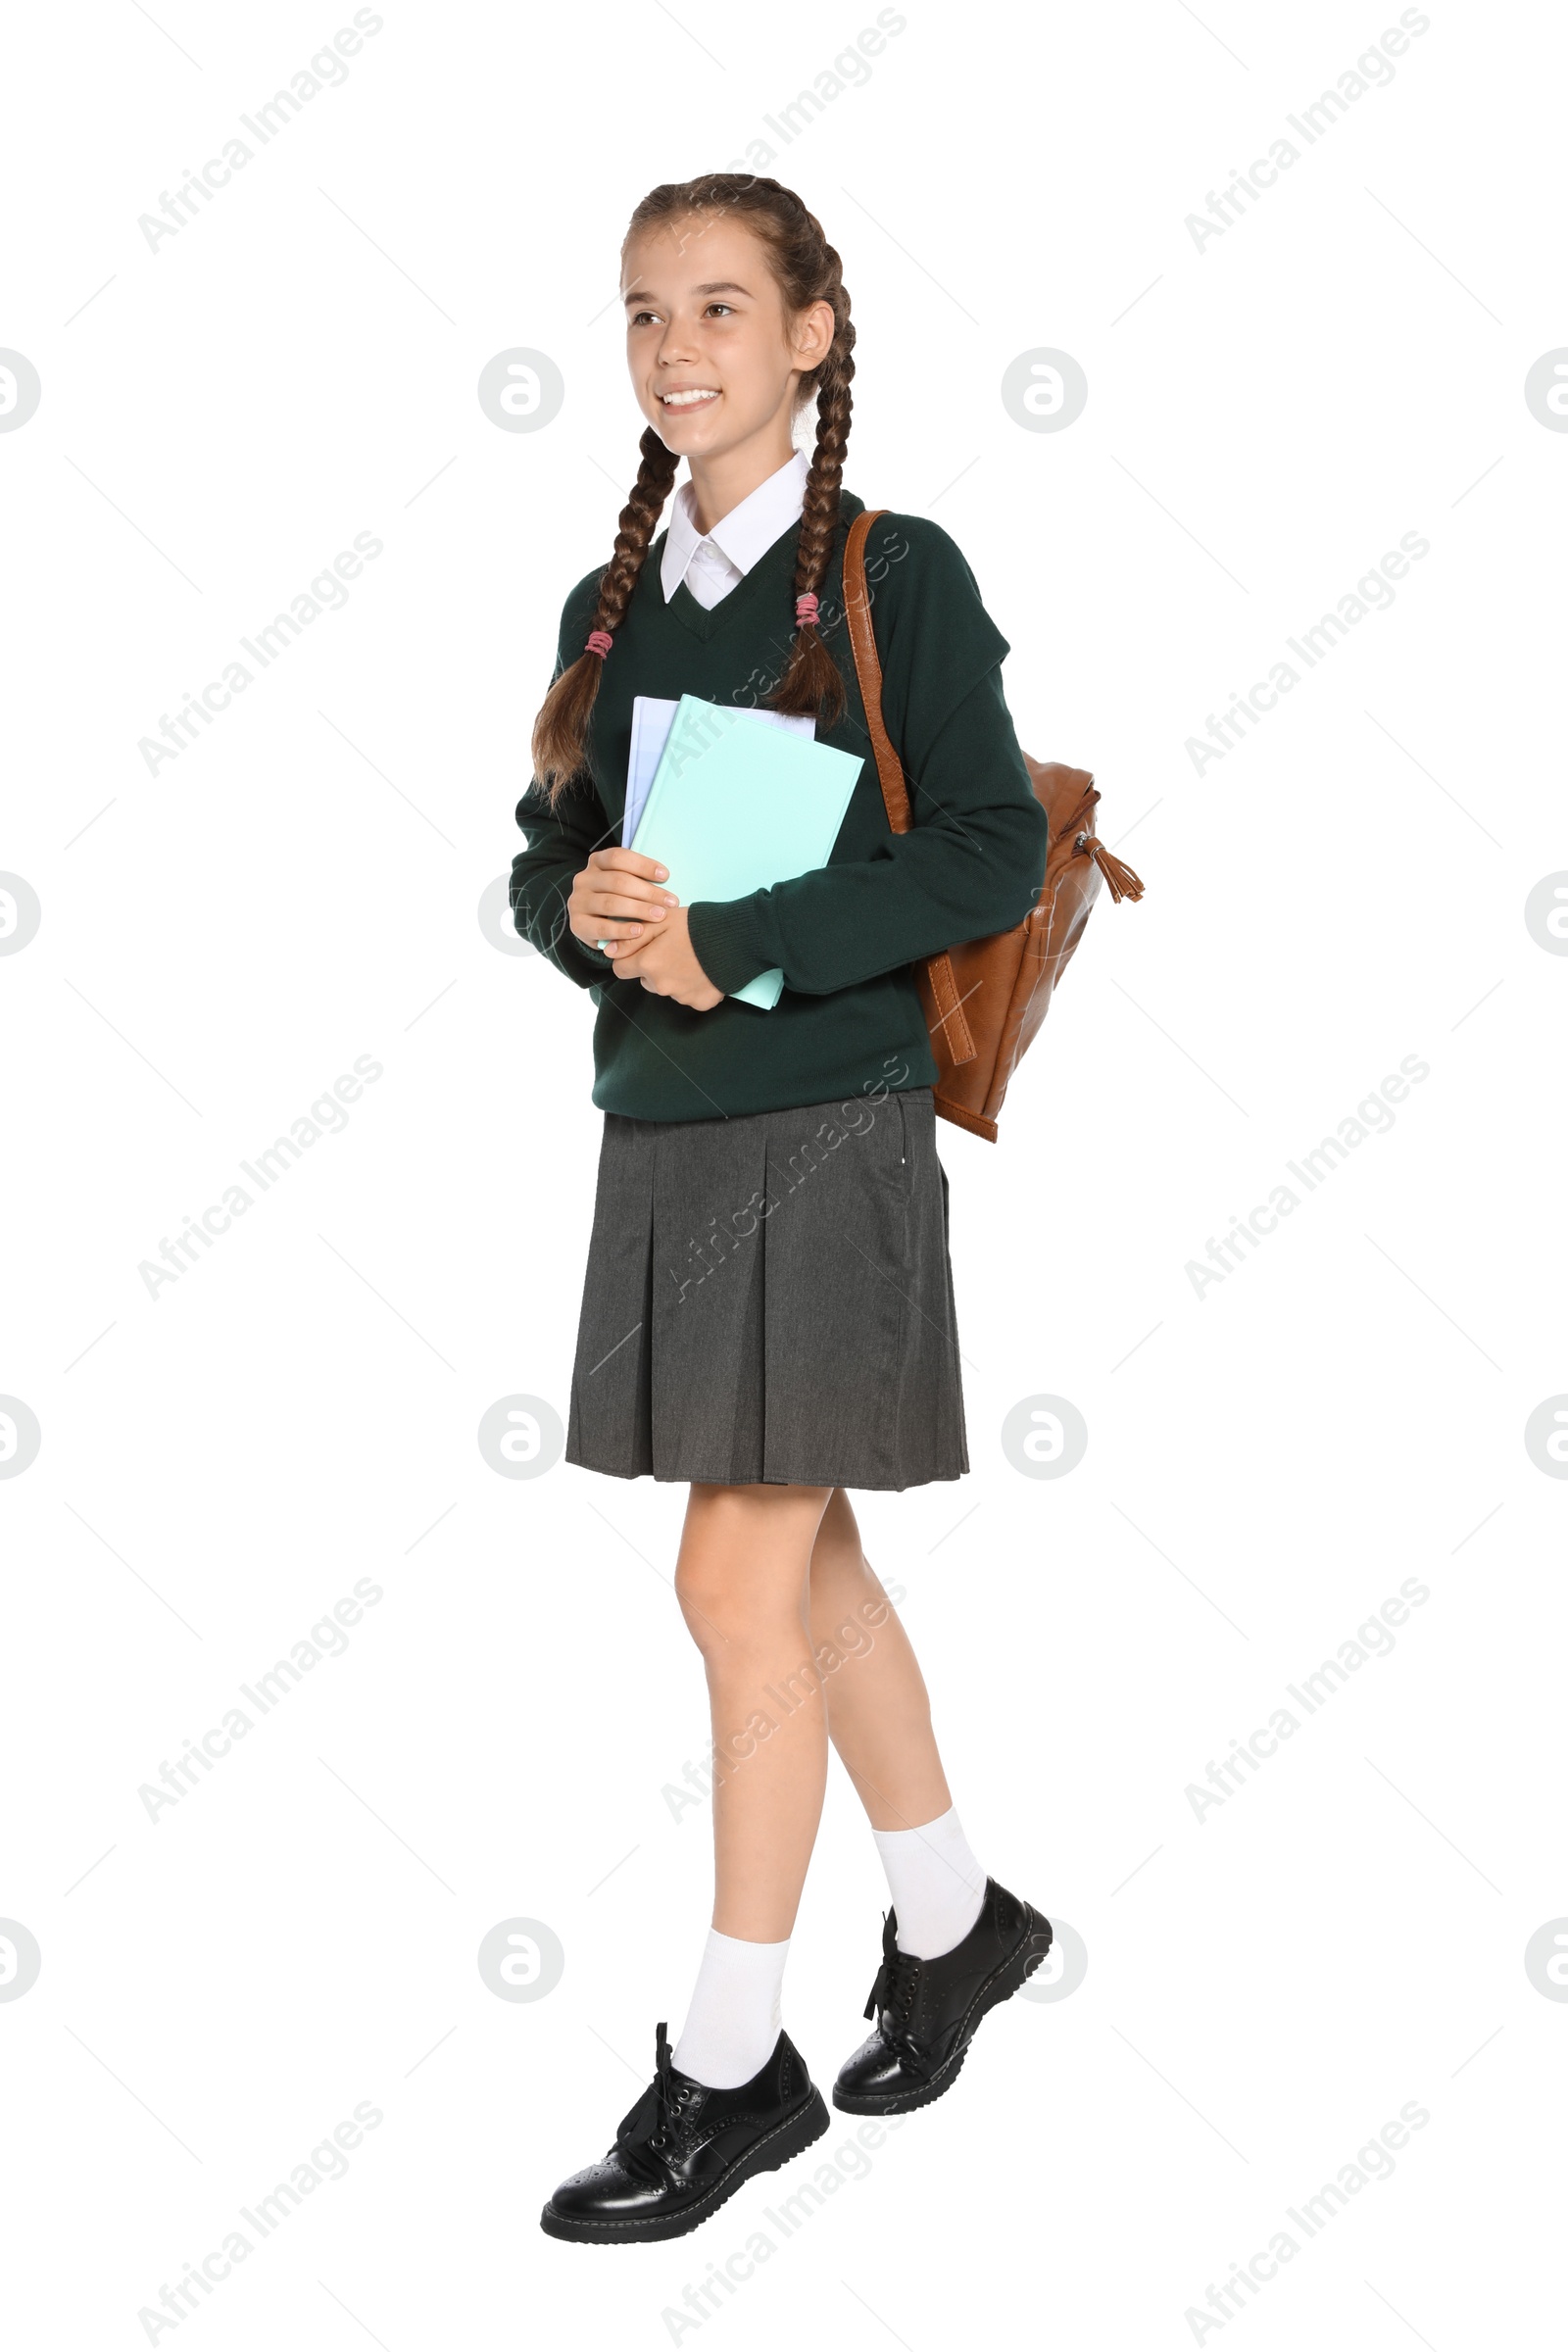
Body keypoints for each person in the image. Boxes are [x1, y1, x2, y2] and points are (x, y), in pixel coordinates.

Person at [512, 173, 1054, 2247]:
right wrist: (582, 915)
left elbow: (989, 854)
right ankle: (955, 1923)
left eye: (721, 308)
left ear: (812, 333)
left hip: (824, 1122)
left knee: (729, 1591)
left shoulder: (889, 571)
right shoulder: (608, 598)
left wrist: (728, 939)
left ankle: (729, 2071)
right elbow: (540, 864)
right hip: (658, 1131)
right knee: (800, 1570)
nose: (674, 349)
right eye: (644, 312)